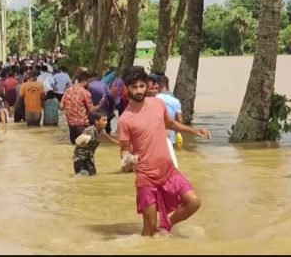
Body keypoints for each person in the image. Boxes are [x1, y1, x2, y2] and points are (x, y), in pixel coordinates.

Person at [118, 66, 211, 236]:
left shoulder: (158, 103)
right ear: (127, 89)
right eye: (134, 87)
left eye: (141, 86)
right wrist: (128, 158)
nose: (138, 90)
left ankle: (166, 223)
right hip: (146, 177)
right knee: (149, 229)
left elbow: (170, 124)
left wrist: (193, 130)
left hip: (168, 170)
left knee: (194, 202)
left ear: (146, 85)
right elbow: (124, 150)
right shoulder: (125, 119)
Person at [60, 71, 105, 145]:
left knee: (74, 147)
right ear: (85, 81)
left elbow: (61, 107)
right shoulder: (85, 93)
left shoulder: (67, 91)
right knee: (84, 148)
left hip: (71, 125)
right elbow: (91, 110)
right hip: (82, 125)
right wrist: (100, 104)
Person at [73, 110, 119, 176]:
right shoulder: (88, 131)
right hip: (80, 158)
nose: (106, 122)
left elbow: (111, 140)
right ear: (96, 121)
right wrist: (83, 143)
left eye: (106, 120)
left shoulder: (102, 131)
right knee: (81, 177)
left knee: (93, 176)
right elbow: (78, 142)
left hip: (90, 158)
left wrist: (122, 145)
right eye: (104, 120)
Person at [156, 75, 184, 147]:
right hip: (172, 139)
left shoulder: (155, 98)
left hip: (158, 138)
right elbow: (180, 121)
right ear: (167, 85)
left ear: (158, 85)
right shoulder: (176, 101)